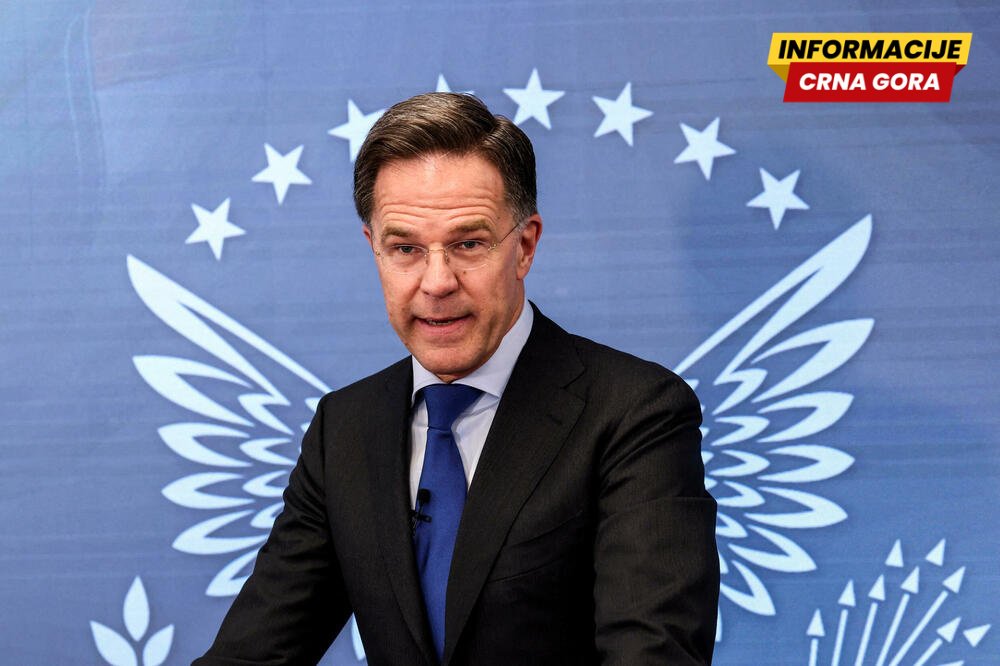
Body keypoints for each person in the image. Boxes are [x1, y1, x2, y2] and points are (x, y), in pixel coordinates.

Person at [194, 92, 719, 665]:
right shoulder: (344, 429)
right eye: (405, 248)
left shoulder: (635, 412)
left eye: (468, 244)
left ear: (524, 246)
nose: (437, 281)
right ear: (374, 250)